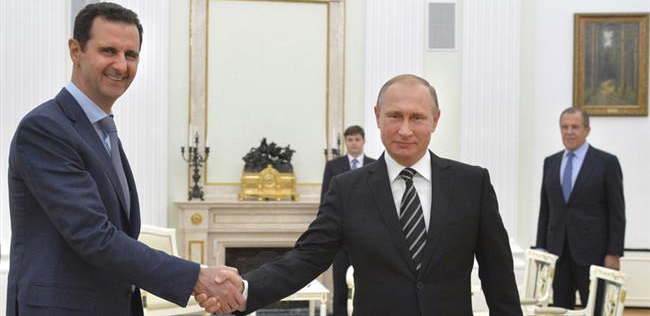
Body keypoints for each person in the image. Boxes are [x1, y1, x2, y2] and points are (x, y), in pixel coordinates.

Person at [199, 74, 522, 315]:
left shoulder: (471, 184)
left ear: (435, 120)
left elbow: (498, 275)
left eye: (417, 117)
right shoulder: (348, 189)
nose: (405, 129)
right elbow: (304, 259)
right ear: (378, 116)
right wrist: (244, 289)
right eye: (395, 116)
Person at [6, 2, 243, 316]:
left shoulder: (101, 131)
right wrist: (196, 277)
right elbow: (94, 235)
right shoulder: (46, 129)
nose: (121, 65)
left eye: (131, 55)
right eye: (108, 51)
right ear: (75, 51)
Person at [536, 107, 625, 309]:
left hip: (594, 254)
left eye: (575, 127)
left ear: (587, 130)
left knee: (596, 308)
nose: (569, 132)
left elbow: (617, 213)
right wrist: (541, 248)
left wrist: (614, 253)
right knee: (560, 308)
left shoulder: (606, 163)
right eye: (564, 127)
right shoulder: (551, 162)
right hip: (557, 253)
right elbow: (546, 210)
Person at [320, 125, 375, 316]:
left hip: (368, 237)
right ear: (346, 142)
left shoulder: (374, 165)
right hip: (341, 237)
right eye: (350, 140)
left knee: (367, 285)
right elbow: (325, 200)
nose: (353, 143)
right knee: (340, 286)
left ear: (363, 141)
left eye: (357, 139)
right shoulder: (333, 166)